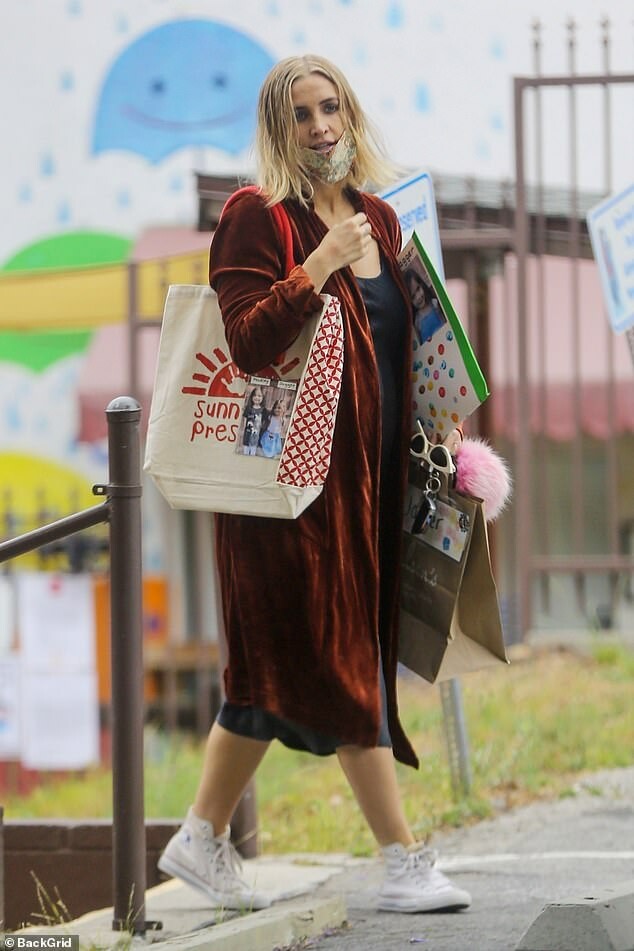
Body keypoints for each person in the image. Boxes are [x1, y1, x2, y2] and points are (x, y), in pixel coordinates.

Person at [159, 54, 468, 915]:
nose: (321, 126)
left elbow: (400, 345)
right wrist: (320, 263)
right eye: (301, 115)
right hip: (287, 497)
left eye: (330, 107)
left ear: (351, 113)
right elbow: (248, 341)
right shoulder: (257, 218)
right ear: (278, 129)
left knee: (269, 679)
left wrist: (439, 419)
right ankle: (402, 858)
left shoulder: (380, 217)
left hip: (368, 486)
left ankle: (200, 836)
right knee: (343, 660)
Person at [404, 266, 446, 343]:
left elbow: (445, 324)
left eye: (418, 289)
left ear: (421, 285)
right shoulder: (417, 322)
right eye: (413, 297)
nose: (418, 297)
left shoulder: (434, 304)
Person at [240, 384, 266, 455]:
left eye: (259, 396)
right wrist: (244, 430)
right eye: (255, 395)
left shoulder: (263, 410)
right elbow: (245, 420)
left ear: (263, 397)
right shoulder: (248, 408)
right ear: (251, 397)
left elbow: (264, 422)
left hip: (256, 436)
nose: (257, 397)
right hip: (247, 434)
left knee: (253, 451)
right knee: (246, 451)